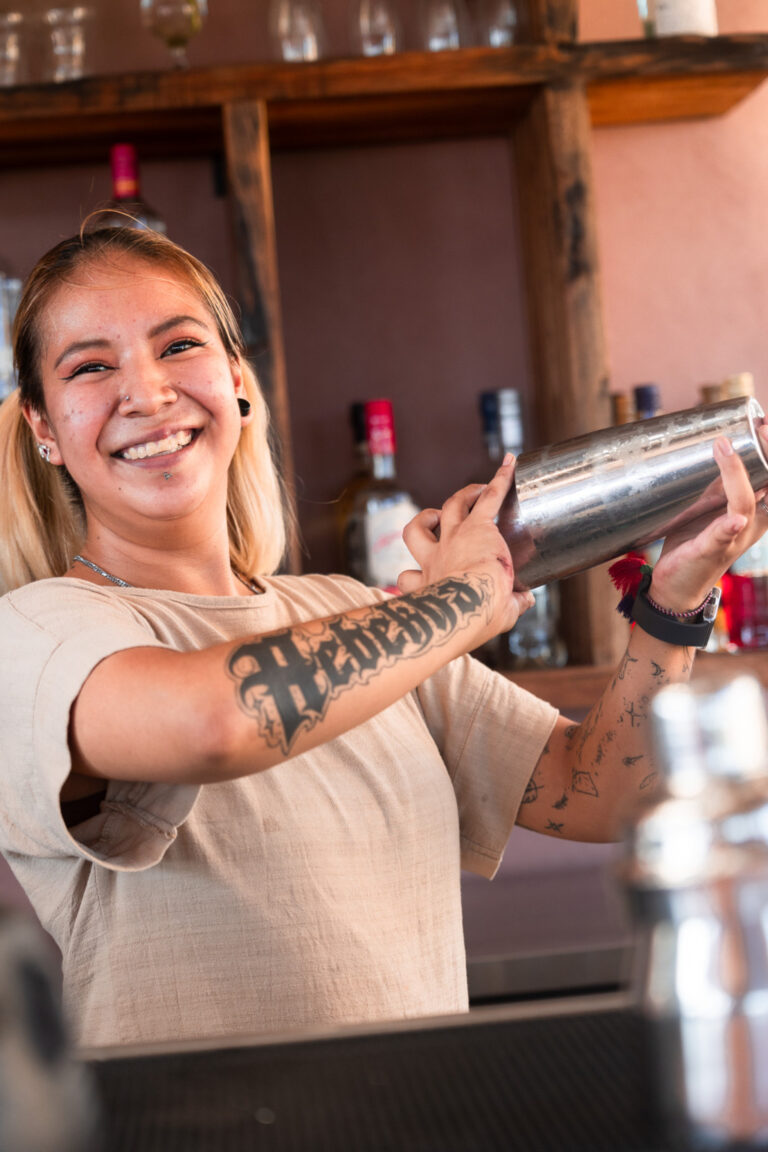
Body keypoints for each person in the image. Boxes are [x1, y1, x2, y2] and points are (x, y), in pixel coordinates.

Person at [0, 226, 765, 1052]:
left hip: (416, 1110)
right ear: (44, 427)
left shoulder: (345, 608)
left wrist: (673, 602)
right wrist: (465, 599)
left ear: (235, 380)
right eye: (90, 367)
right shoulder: (37, 634)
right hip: (191, 1116)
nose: (147, 393)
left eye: (178, 345)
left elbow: (601, 793)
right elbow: (215, 722)